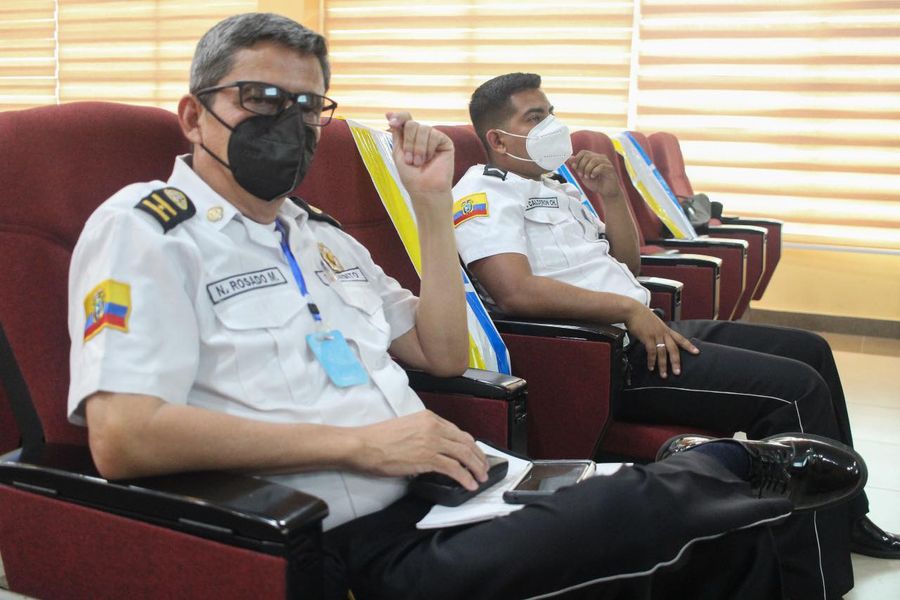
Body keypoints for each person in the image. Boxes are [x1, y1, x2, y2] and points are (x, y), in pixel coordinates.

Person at [67, 15, 866, 600]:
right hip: (350, 539)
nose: (290, 123)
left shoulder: (319, 237)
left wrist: (430, 208)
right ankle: (718, 466)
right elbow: (124, 435)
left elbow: (443, 354)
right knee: (665, 510)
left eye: (308, 107)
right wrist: (365, 446)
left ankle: (710, 480)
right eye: (260, 98)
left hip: (456, 491)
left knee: (734, 539)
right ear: (194, 114)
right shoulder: (143, 229)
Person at [452, 71, 900, 597]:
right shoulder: (480, 194)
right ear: (499, 138)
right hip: (601, 355)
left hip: (645, 326)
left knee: (811, 350)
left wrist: (611, 196)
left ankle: (847, 515)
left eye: (550, 112)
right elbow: (514, 291)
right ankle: (812, 578)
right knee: (795, 390)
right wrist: (627, 310)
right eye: (535, 117)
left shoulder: (556, 186)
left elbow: (626, 265)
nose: (552, 125)